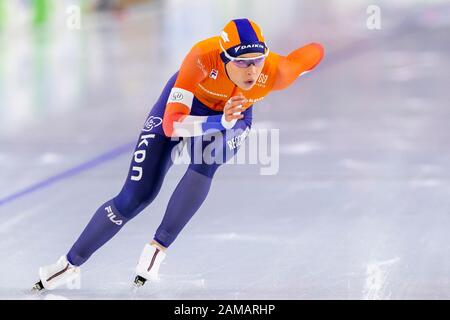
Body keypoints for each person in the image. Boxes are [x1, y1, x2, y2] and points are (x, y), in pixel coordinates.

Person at [33, 18, 324, 291]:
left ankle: (158, 247)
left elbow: (312, 53)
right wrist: (218, 121)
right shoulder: (200, 58)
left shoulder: (274, 71)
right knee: (135, 197)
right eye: (242, 63)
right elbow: (172, 124)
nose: (251, 71)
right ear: (224, 58)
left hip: (233, 116)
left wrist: (314, 51)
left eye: (257, 61)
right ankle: (69, 264)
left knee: (207, 159)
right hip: (184, 111)